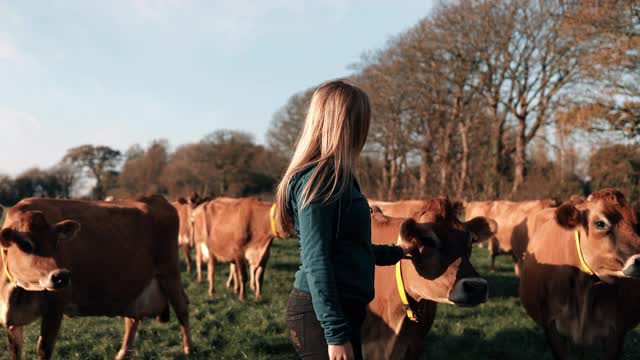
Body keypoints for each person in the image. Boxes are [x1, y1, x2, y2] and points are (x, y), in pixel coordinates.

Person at [274, 80, 415, 360]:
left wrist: (399, 253)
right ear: (343, 123)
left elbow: (348, 247)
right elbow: (317, 260)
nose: (365, 129)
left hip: (341, 308)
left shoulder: (340, 178)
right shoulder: (320, 180)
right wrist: (336, 334)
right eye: (361, 120)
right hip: (321, 314)